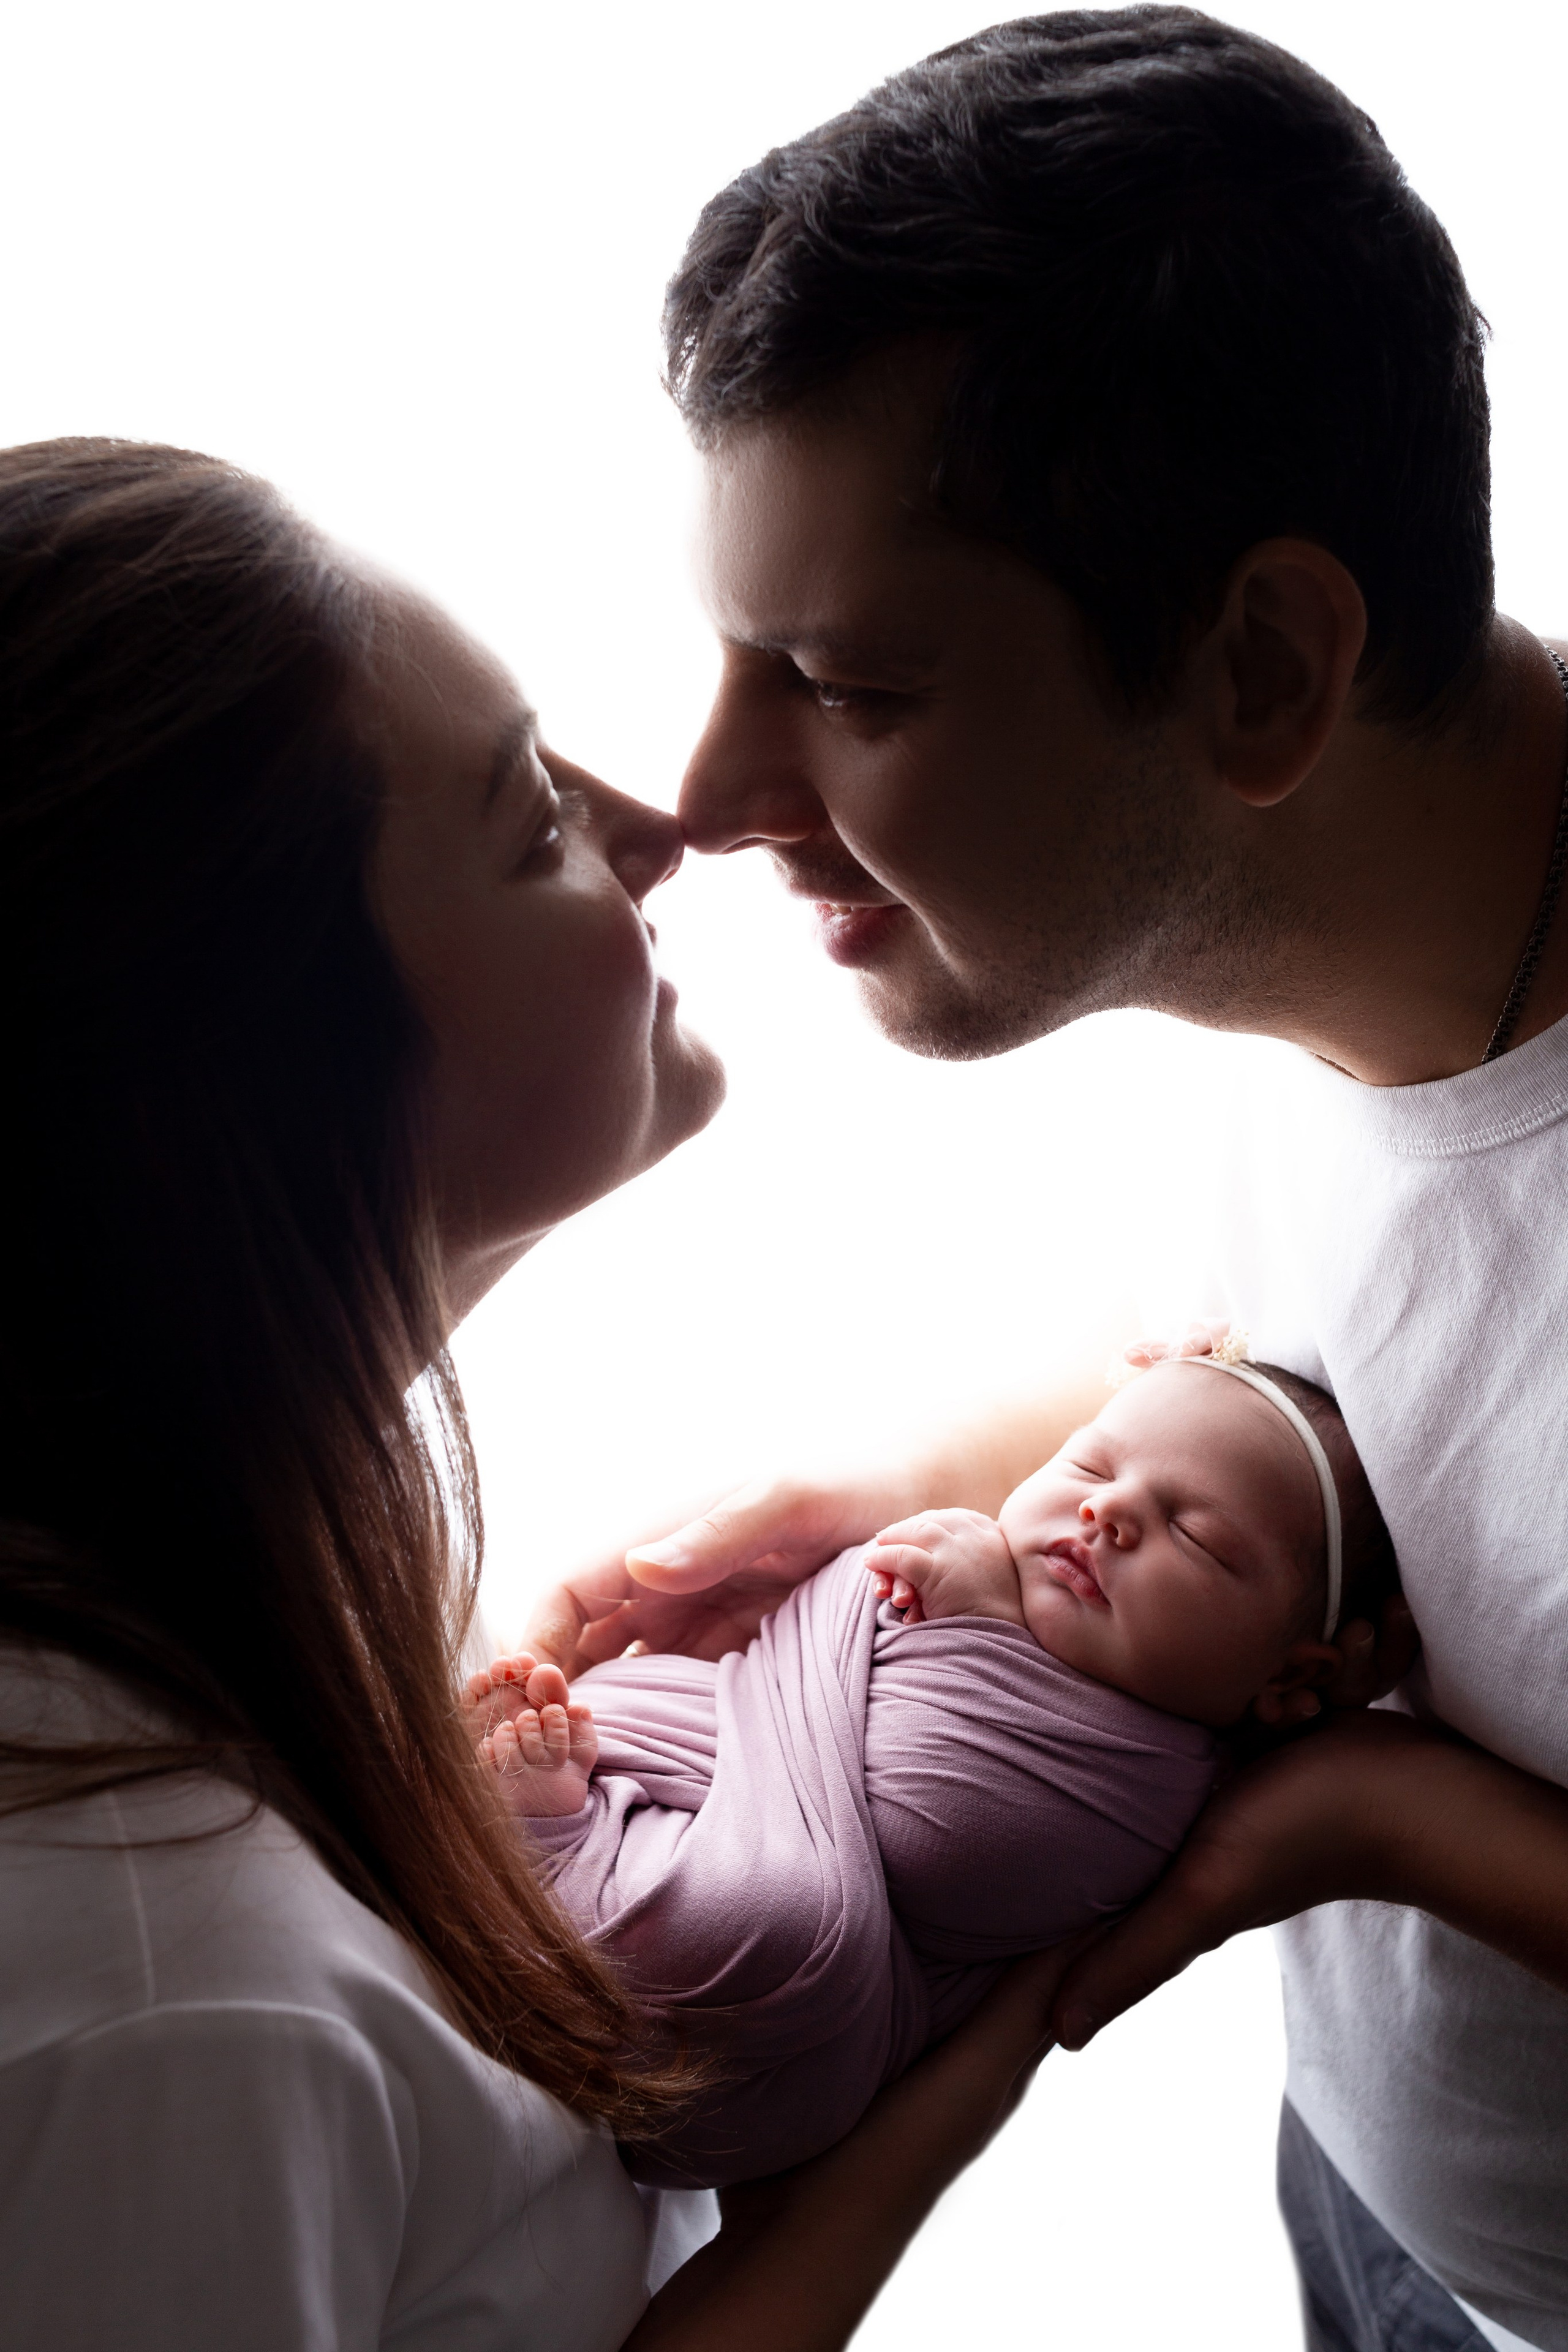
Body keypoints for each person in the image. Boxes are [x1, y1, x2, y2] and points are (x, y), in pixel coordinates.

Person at [525, 13, 1568, 2351]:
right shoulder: (1320, 902)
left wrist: (1358, 1828)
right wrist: (936, 1489)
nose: (702, 792)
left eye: (849, 685)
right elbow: (1371, 1336)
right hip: (1397, 2193)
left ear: (1265, 667)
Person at [0, 435, 1091, 2352]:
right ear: (271, 1078)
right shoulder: (173, 2012)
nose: (660, 825)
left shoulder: (205, 1565)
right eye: (525, 819)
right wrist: (953, 2069)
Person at [471, 1353, 1392, 2191]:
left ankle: (555, 1844)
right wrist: (951, 1600)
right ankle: (557, 1830)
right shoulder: (972, 1558)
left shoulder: (1158, 1794)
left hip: (777, 2049)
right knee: (775, 1900)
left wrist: (972, 1624)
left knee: (786, 1925)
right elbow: (835, 1630)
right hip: (702, 1774)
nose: (1106, 1512)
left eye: (1197, 1538)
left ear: (1287, 1679)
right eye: (1090, 1466)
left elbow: (937, 1839)